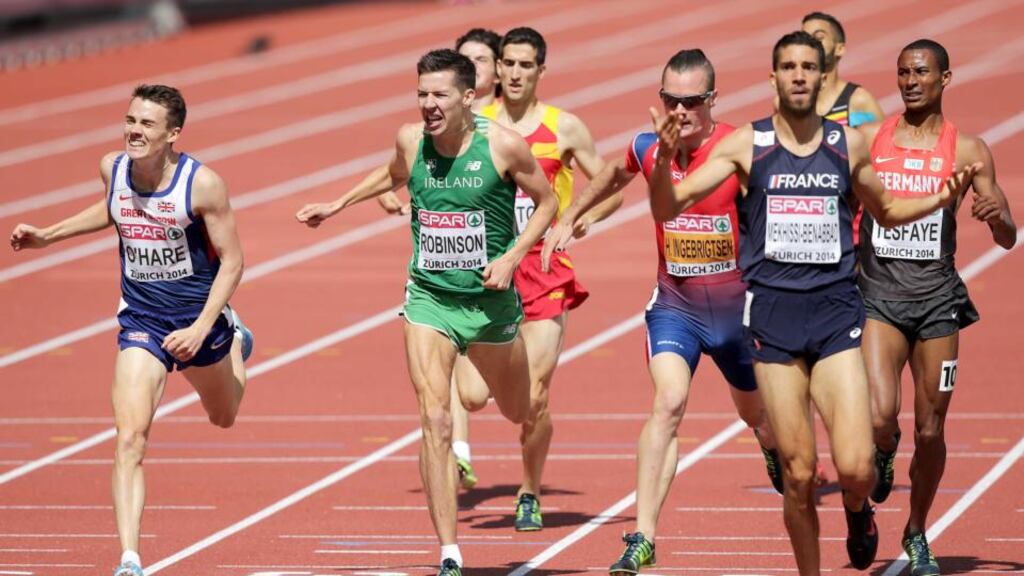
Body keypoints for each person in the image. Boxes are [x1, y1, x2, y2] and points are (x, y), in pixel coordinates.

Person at [646, 32, 977, 575]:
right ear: (772, 79)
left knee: (856, 467)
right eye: (787, 66)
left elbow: (887, 209)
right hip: (773, 325)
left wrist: (942, 196)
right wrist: (662, 159)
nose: (798, 75)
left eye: (807, 67)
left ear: (822, 79)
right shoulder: (745, 146)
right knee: (798, 476)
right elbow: (667, 204)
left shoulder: (847, 145)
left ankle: (857, 512)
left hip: (834, 318)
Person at [295, 49, 557, 576]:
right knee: (434, 418)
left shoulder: (503, 146)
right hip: (429, 299)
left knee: (515, 407)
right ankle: (449, 553)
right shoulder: (411, 140)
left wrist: (511, 257)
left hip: (490, 306)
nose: (428, 105)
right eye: (421, 94)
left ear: (468, 96)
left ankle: (513, 391)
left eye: (439, 95)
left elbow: (548, 203)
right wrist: (338, 204)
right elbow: (392, 172)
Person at [544, 48, 782, 574]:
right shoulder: (648, 147)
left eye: (691, 101)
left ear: (712, 100)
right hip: (676, 308)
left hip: (739, 315)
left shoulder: (739, 148)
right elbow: (610, 173)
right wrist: (572, 215)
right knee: (668, 403)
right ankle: (643, 535)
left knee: (757, 416)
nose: (679, 111)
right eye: (670, 100)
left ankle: (768, 443)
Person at [9, 84, 254, 576]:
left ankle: (237, 339)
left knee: (223, 416)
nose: (133, 131)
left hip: (199, 323)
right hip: (141, 321)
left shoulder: (201, 184)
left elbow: (233, 262)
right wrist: (48, 236)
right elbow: (115, 209)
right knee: (129, 438)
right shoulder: (113, 168)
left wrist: (204, 325)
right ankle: (129, 559)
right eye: (130, 120)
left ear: (173, 133)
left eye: (146, 124)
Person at [857, 39, 1015, 576]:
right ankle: (883, 451)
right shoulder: (870, 142)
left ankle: (917, 529)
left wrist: (997, 217)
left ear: (945, 79)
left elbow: (1007, 236)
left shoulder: (969, 150)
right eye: (902, 72)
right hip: (878, 296)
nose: (910, 81)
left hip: (938, 303)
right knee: (881, 416)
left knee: (931, 430)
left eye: (921, 72)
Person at [457, 25, 617, 531]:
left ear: (541, 71)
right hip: (487, 274)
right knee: (471, 396)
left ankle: (529, 489)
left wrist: (580, 219)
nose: (517, 72)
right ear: (498, 68)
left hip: (545, 274)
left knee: (536, 397)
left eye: (528, 65)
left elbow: (609, 183)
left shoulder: (564, 127)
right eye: (509, 63)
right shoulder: (474, 123)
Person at [378, 26, 505, 491]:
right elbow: (403, 169)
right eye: (423, 93)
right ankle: (457, 450)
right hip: (435, 285)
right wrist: (395, 195)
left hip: (501, 276)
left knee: (480, 394)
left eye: (484, 58)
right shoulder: (426, 129)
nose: (430, 101)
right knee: (438, 382)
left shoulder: (507, 135)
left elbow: (543, 193)